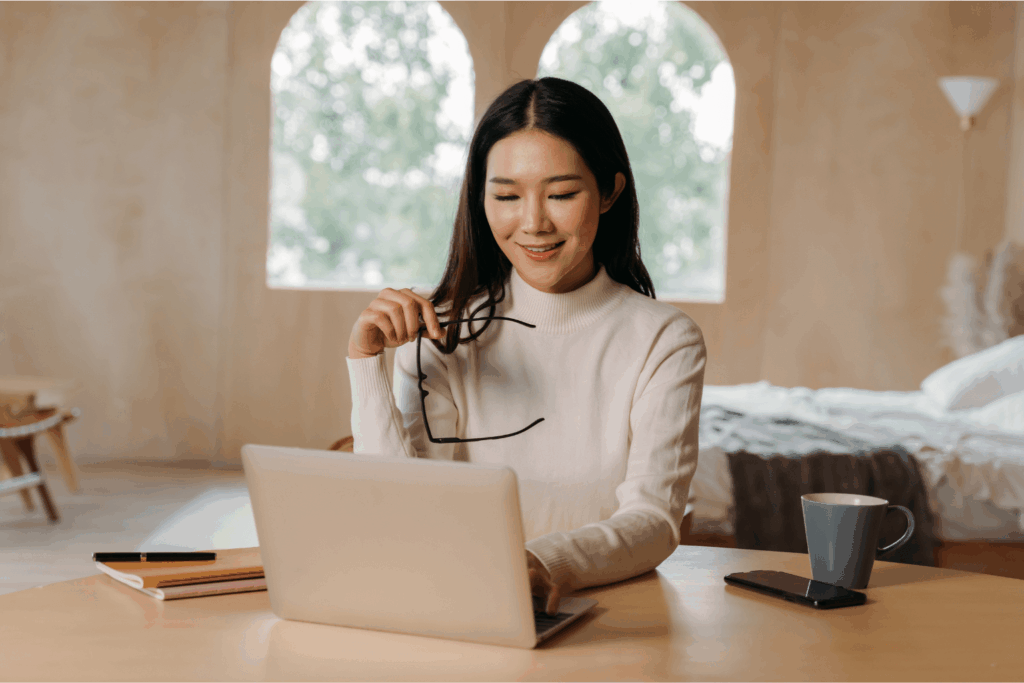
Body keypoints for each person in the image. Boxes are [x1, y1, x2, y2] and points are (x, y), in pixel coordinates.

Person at [346, 77, 706, 615]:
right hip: (456, 605)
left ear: (609, 192)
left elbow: (654, 522)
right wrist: (365, 363)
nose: (533, 223)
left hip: (604, 613)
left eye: (561, 194)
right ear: (481, 198)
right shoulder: (441, 329)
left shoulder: (664, 340)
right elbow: (398, 506)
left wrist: (537, 564)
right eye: (507, 196)